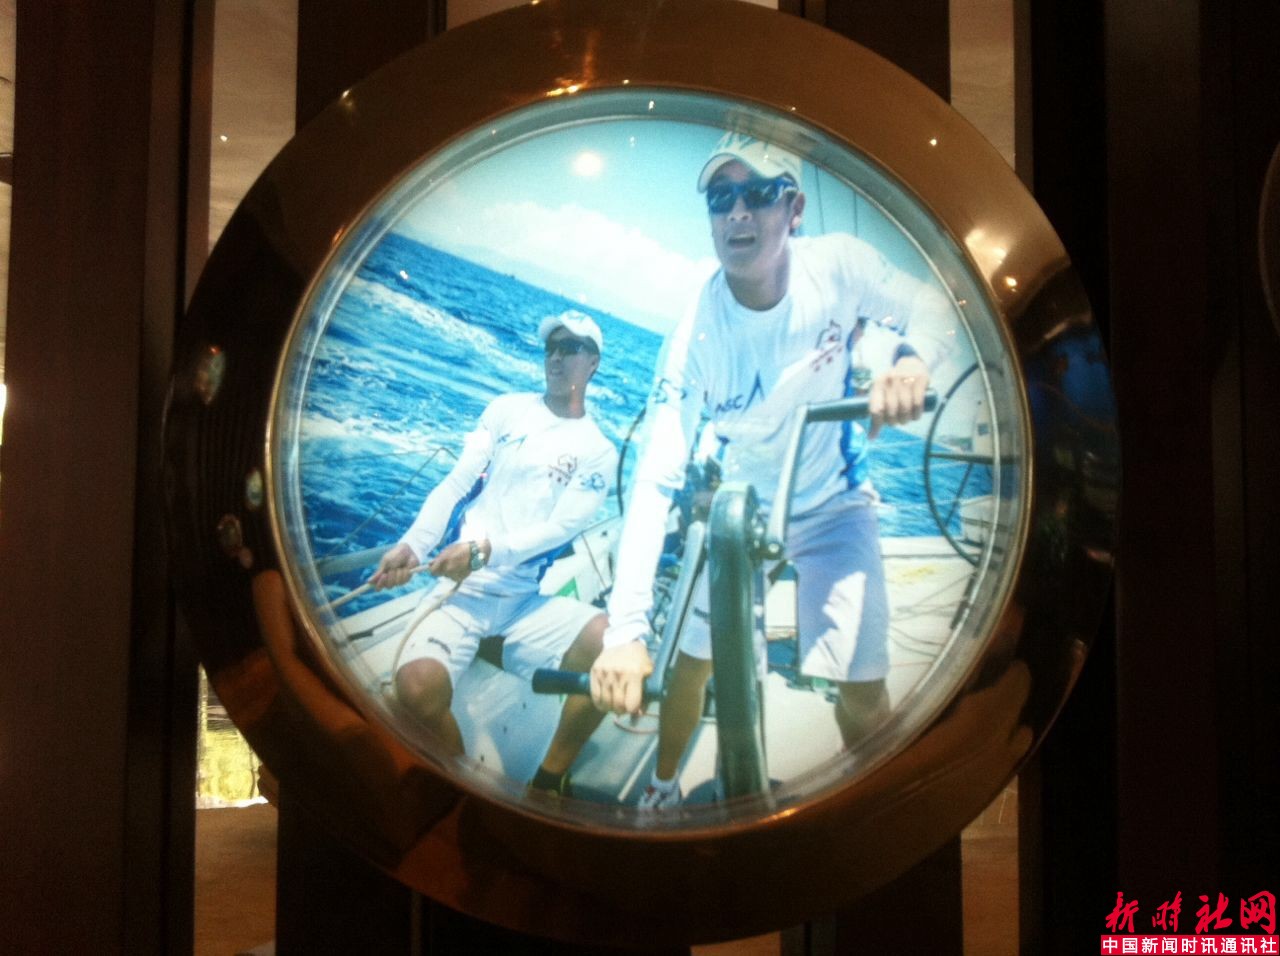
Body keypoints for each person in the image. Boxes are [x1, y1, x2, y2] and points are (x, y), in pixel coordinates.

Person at [588, 132, 952, 810]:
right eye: (721, 197)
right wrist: (626, 633)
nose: (738, 212)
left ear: (794, 209)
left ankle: (875, 808)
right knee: (692, 664)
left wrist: (913, 359)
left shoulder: (839, 267)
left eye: (758, 193)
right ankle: (662, 790)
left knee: (861, 687)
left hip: (834, 503)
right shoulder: (695, 334)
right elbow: (656, 478)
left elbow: (934, 303)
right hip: (740, 512)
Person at [371, 310, 617, 793]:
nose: (557, 356)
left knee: (612, 646)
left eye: (571, 348)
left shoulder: (598, 451)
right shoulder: (504, 409)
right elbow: (456, 482)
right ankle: (467, 795)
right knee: (417, 689)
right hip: (460, 592)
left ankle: (548, 779)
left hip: (521, 602)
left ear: (593, 363)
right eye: (552, 347)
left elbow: (560, 528)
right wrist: (413, 545)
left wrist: (485, 552)